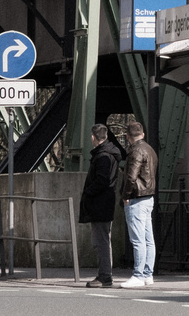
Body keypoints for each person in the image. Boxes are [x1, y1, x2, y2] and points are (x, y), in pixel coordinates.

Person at [79, 123, 122, 287]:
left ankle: (104, 276)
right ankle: (105, 275)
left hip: (100, 203)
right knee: (103, 239)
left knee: (101, 241)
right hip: (105, 202)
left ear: (93, 137)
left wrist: (88, 192)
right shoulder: (111, 153)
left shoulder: (103, 156)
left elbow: (102, 180)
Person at [121, 120, 157, 288]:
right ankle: (148, 274)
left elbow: (131, 176)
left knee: (137, 240)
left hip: (136, 197)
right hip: (148, 197)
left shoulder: (135, 151)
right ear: (142, 134)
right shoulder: (150, 150)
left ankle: (138, 275)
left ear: (128, 137)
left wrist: (126, 195)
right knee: (148, 239)